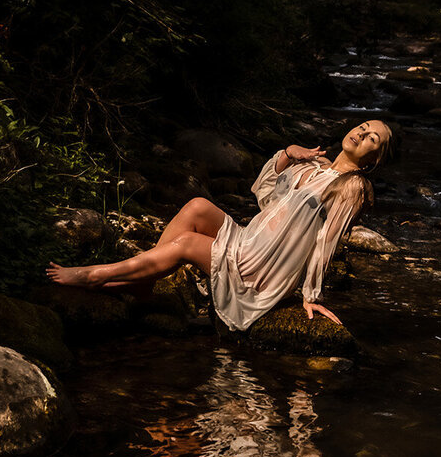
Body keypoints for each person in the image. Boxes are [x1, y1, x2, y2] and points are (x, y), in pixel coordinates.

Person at [47, 119, 394, 330]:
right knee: (197, 206)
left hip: (264, 267)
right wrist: (289, 153)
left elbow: (326, 242)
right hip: (251, 241)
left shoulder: (353, 187)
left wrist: (311, 294)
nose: (362, 134)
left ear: (375, 159)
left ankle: (96, 275)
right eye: (363, 128)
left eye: (372, 139)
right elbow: (266, 194)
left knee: (185, 244)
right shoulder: (314, 166)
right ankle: (144, 284)